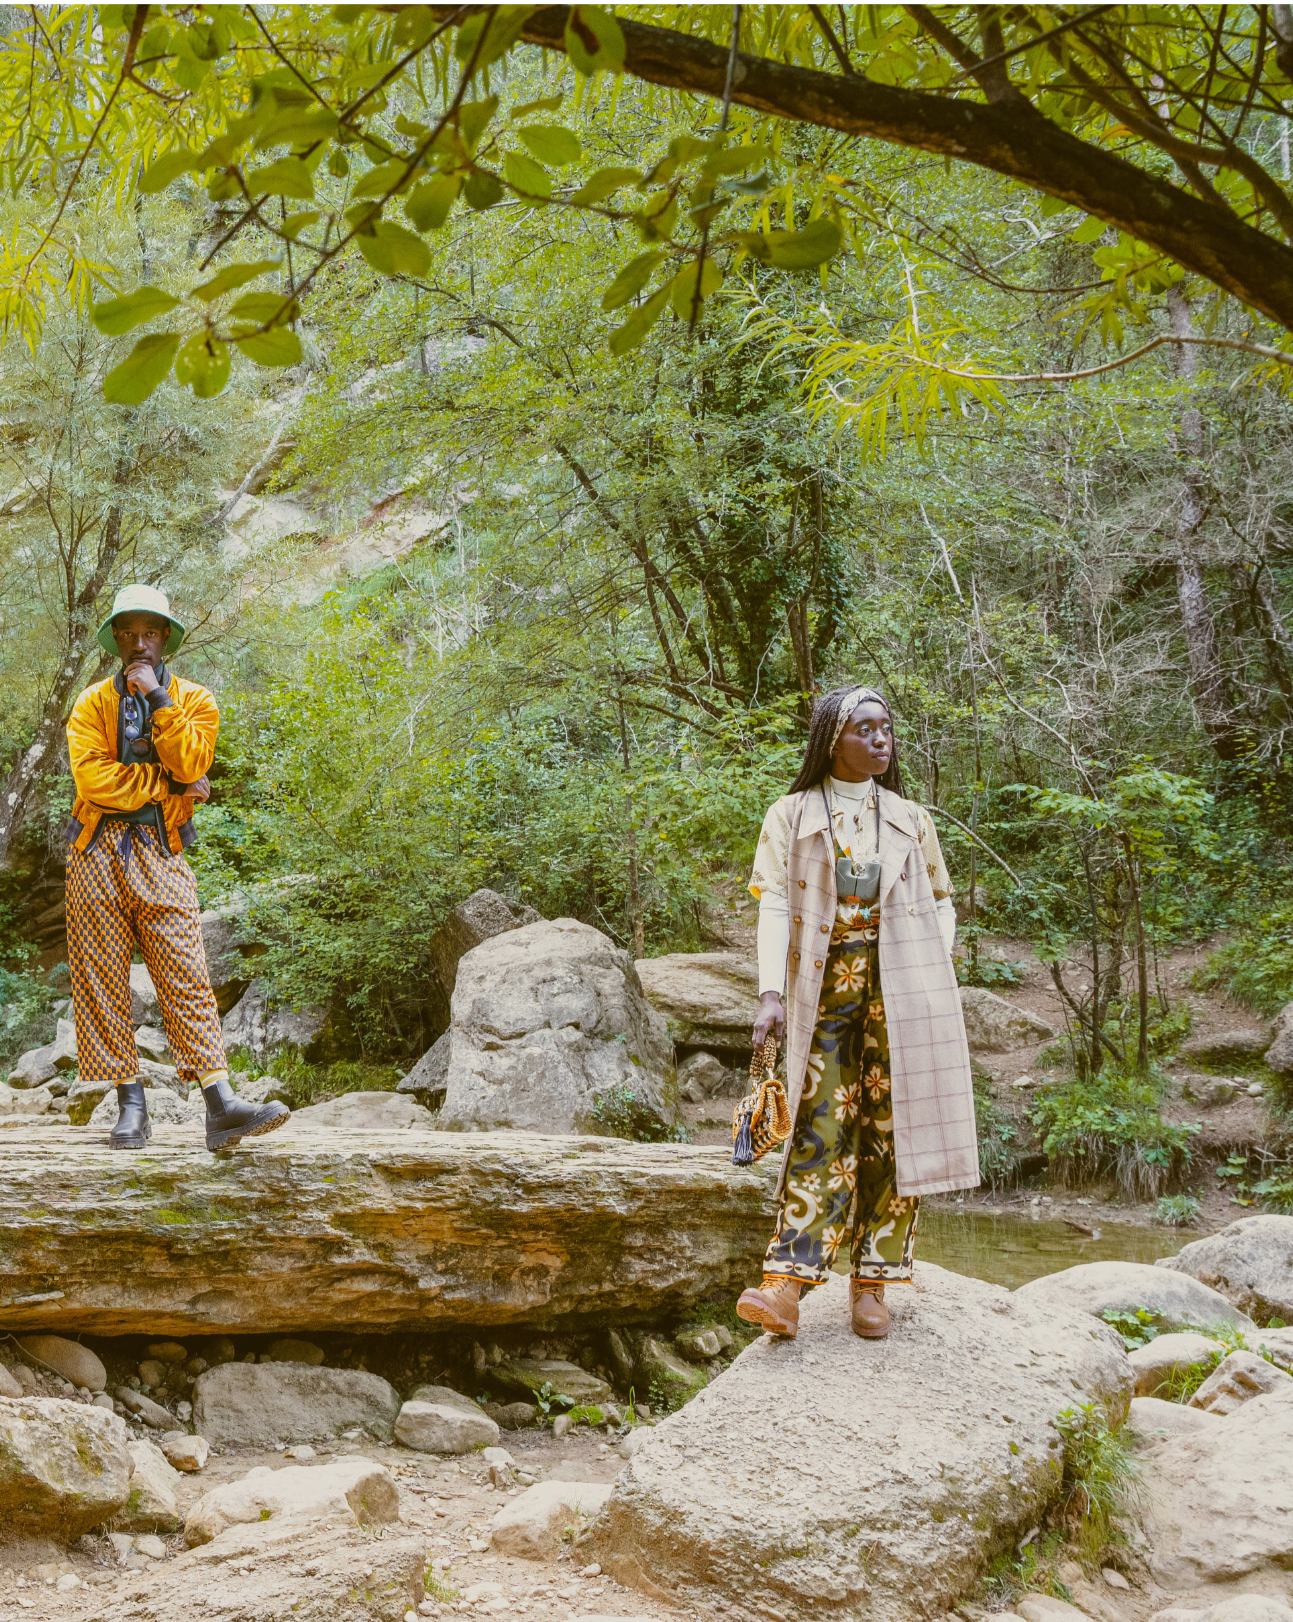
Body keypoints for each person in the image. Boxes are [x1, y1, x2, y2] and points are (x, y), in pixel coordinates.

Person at [736, 685, 978, 1340]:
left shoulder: (910, 818)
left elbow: (942, 902)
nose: (879, 740)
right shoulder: (789, 815)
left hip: (902, 996)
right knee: (818, 1126)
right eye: (863, 729)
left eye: (885, 729)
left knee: (896, 1133)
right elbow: (772, 906)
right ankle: (785, 1284)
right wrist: (769, 994)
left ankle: (874, 1281)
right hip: (823, 995)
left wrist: (933, 966)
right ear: (829, 741)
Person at [65, 583, 290, 1152]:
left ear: (165, 638)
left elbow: (193, 758)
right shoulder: (91, 704)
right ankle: (131, 1105)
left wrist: (160, 704)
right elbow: (95, 782)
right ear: (116, 639)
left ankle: (220, 1105)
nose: (139, 643)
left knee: (185, 965)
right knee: (102, 976)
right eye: (129, 633)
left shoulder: (196, 701)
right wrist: (175, 789)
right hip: (94, 850)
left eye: (150, 632)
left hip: (162, 850)